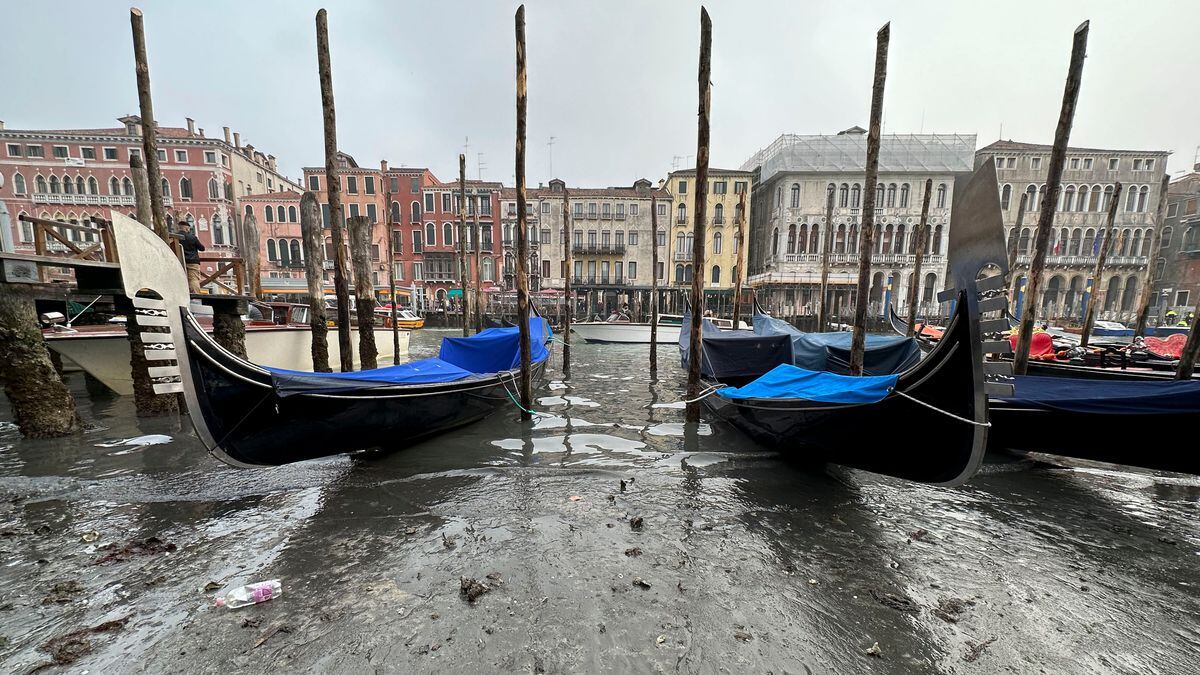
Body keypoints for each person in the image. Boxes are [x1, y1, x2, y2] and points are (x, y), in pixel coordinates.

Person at [174, 222, 205, 294]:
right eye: (189, 229)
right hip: (192, 262)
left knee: (180, 279)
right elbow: (202, 248)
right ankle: (196, 297)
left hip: (179, 261)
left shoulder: (174, 237)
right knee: (193, 279)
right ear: (186, 228)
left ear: (179, 228)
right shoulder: (192, 237)